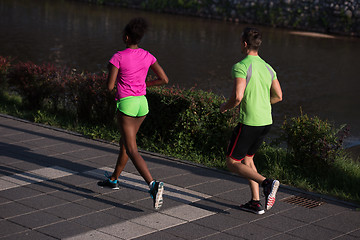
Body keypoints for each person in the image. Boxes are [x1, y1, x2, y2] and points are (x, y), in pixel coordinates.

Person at [98, 17, 169, 210]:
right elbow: (164, 79)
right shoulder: (147, 55)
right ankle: (113, 179)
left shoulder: (118, 57)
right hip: (142, 105)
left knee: (132, 149)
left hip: (127, 105)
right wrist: (145, 84)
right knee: (125, 143)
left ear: (126, 37)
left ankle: (153, 185)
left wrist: (114, 77)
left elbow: (110, 86)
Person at [220, 27, 283, 215]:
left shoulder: (241, 66)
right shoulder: (268, 68)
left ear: (245, 44)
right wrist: (263, 103)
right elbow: (279, 96)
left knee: (231, 162)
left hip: (250, 122)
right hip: (266, 121)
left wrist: (225, 106)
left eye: (240, 41)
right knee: (248, 159)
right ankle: (256, 202)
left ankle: (267, 183)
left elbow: (238, 97)